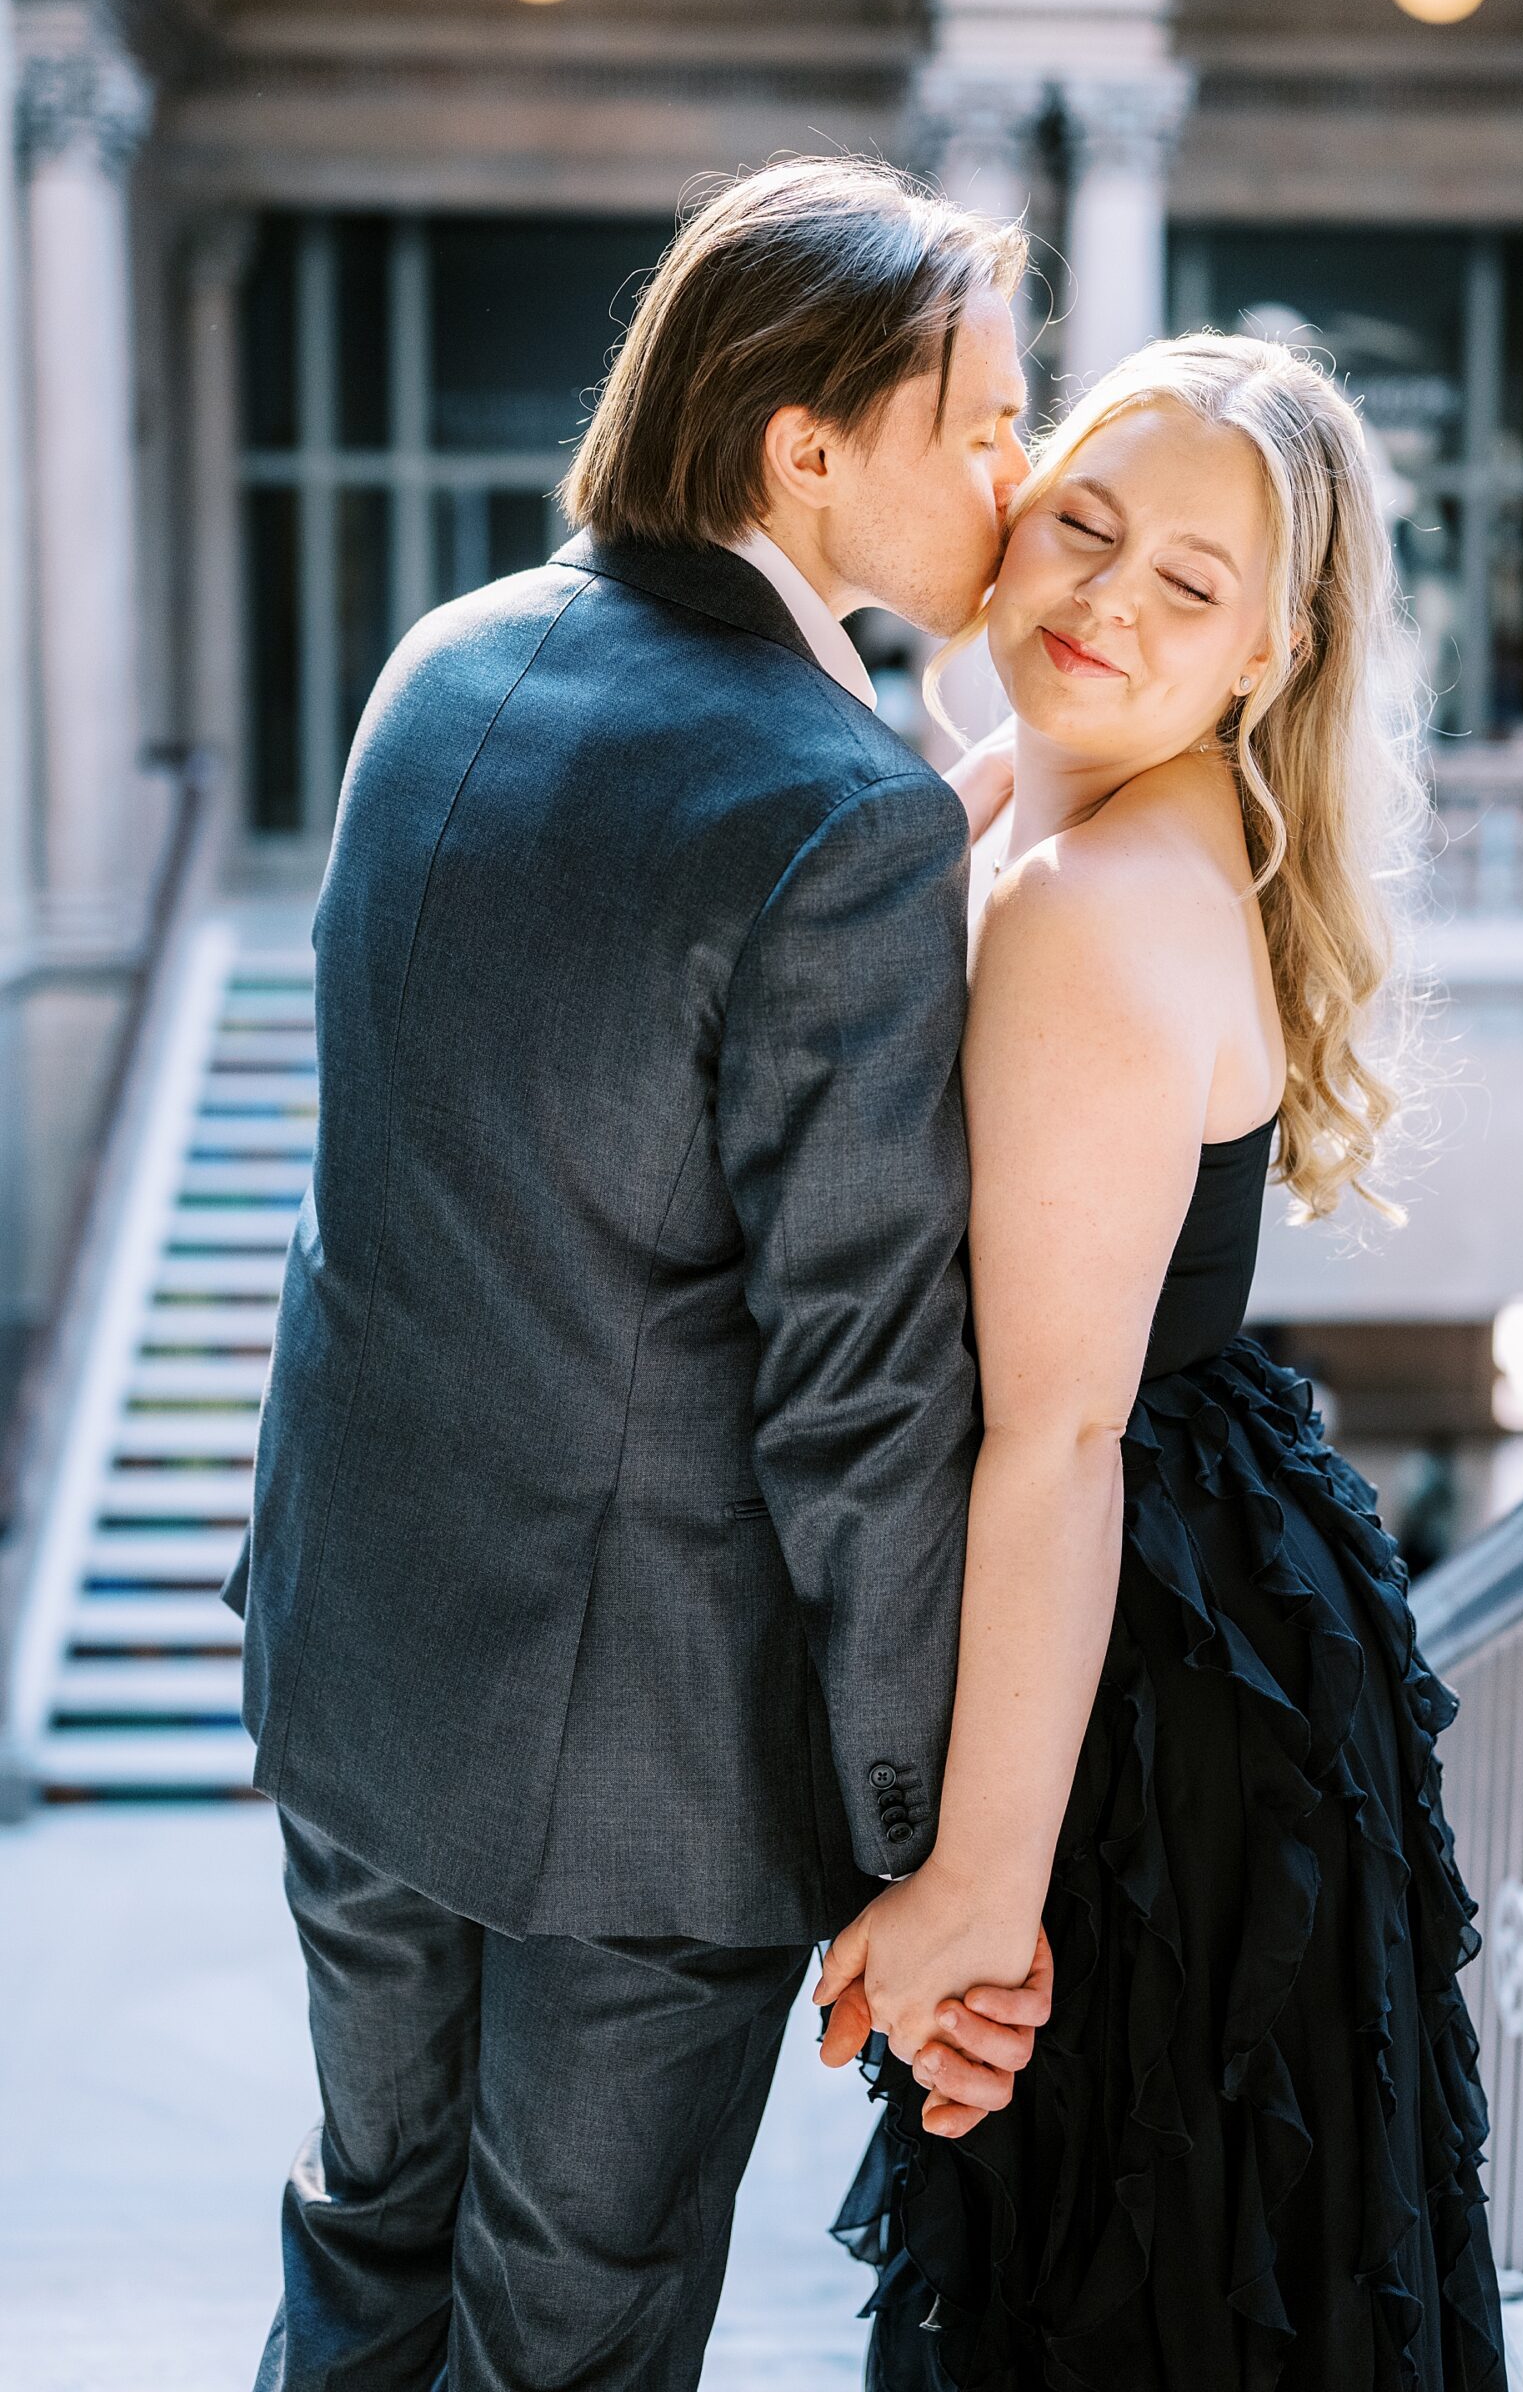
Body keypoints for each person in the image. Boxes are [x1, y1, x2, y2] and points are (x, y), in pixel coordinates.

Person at [226, 155, 1049, 2392]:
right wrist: (920, 1846)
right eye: (982, 423)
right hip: (643, 1783)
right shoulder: (840, 816)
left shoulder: (446, 659)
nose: (1018, 473)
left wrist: (901, 825)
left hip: (358, 1666)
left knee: (367, 2238)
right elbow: (861, 1394)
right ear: (806, 447)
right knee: (566, 2342)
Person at [818, 334, 1507, 2391]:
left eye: (1187, 584)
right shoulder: (1084, 798)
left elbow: (1052, 1437)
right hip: (1208, 1615)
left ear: (1268, 650)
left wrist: (978, 1886)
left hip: (1136, 1687)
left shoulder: (1095, 899)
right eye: (1082, 527)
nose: (1105, 600)